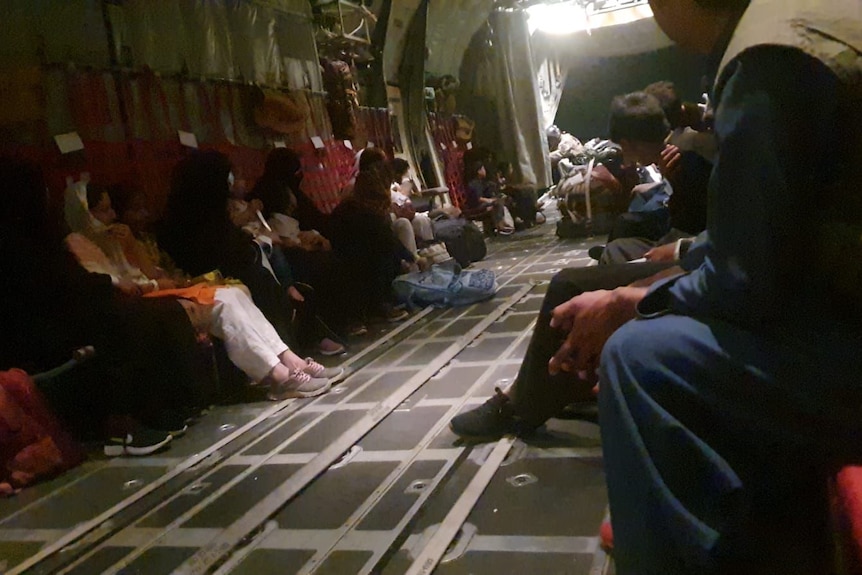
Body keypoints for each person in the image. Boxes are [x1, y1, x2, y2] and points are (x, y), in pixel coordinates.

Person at [581, 0, 862, 573]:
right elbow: (786, 222)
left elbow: (744, 282)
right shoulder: (803, 22)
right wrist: (683, 262)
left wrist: (641, 300)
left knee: (638, 356)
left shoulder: (769, 60)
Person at [67, 184, 339, 402]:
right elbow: (121, 284)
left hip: (160, 292)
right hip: (140, 305)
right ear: (83, 214)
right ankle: (277, 376)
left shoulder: (123, 238)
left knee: (234, 294)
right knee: (222, 304)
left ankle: (291, 360)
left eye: (111, 209)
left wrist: (131, 249)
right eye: (102, 211)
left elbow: (153, 273)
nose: (111, 216)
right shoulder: (79, 243)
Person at [330, 148, 412, 323]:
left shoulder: (371, 193)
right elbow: (379, 231)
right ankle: (380, 305)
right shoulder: (361, 193)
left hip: (363, 240)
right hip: (351, 245)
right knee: (381, 252)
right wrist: (410, 257)